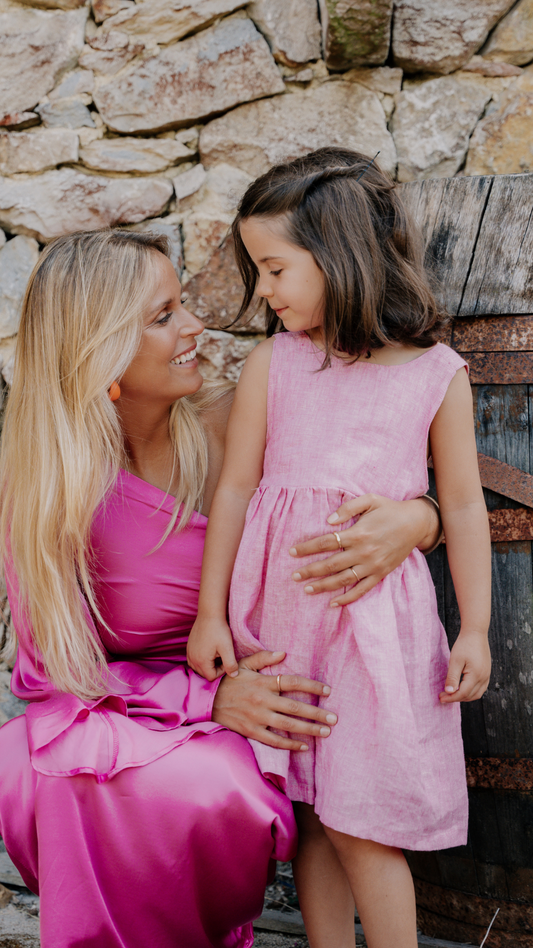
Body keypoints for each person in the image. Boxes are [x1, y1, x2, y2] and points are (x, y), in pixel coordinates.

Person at [0, 228, 443, 948]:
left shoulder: (246, 422)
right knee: (58, 770)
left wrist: (418, 520)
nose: (195, 326)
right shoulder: (50, 487)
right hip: (133, 707)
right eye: (162, 314)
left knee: (202, 785)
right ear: (99, 347)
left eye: (182, 305)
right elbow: (48, 672)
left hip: (260, 703)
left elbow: (412, 457)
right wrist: (205, 698)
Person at [187, 148, 492, 948]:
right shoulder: (274, 364)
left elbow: (460, 505)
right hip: (285, 624)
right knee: (314, 815)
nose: (263, 290)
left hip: (373, 634)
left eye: (274, 268)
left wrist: (476, 630)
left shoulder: (433, 374)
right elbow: (233, 490)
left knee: (363, 820)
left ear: (338, 257)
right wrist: (210, 614)